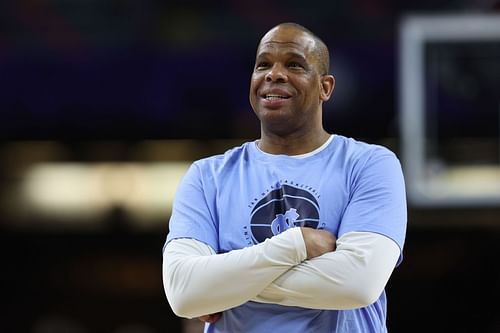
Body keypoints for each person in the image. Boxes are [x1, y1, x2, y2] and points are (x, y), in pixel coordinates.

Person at [162, 22, 407, 333]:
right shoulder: (206, 176)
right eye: (263, 64)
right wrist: (295, 245)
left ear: (325, 87)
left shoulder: (370, 164)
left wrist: (223, 281)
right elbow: (183, 293)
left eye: (294, 64)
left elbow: (357, 284)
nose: (274, 74)